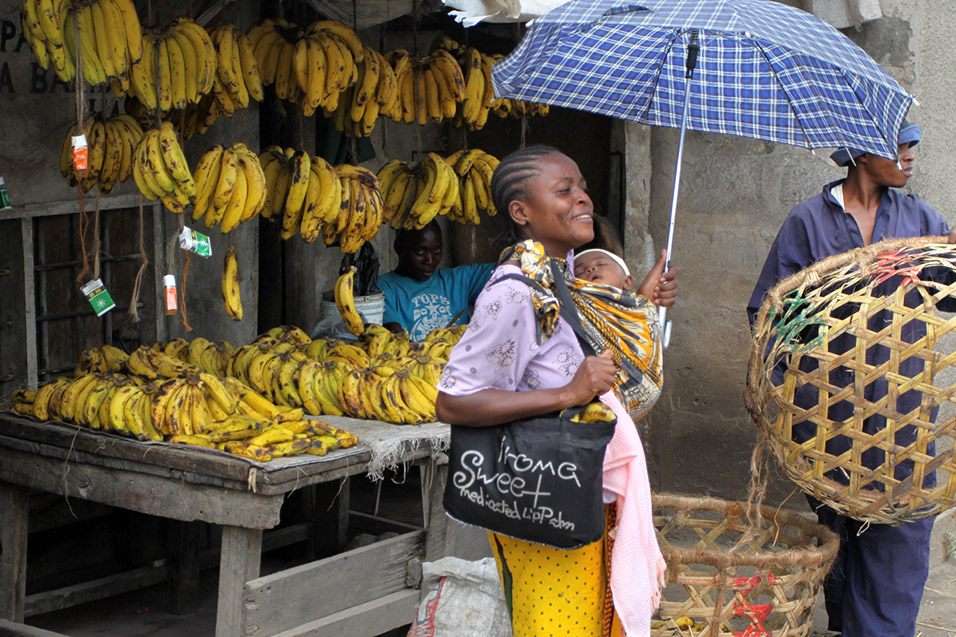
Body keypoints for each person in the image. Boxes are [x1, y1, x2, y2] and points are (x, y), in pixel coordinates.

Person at [436, 145, 677, 636]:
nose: (582, 198)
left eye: (583, 188)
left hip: (578, 491)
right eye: (564, 191)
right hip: (544, 499)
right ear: (522, 213)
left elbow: (574, 350)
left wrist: (637, 302)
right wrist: (568, 394)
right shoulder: (514, 291)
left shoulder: (557, 280)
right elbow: (452, 400)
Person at [747, 119, 956, 637]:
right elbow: (770, 314)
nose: (911, 156)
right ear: (863, 152)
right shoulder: (808, 221)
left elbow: (944, 301)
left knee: (899, 535)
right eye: (901, 145)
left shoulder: (922, 219)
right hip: (828, 417)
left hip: (904, 417)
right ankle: (848, 623)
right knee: (838, 533)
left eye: (913, 146)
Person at [377, 220, 493, 341]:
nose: (430, 260)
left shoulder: (459, 280)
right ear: (398, 246)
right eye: (420, 251)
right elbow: (397, 340)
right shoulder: (384, 289)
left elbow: (508, 266)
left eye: (436, 250)